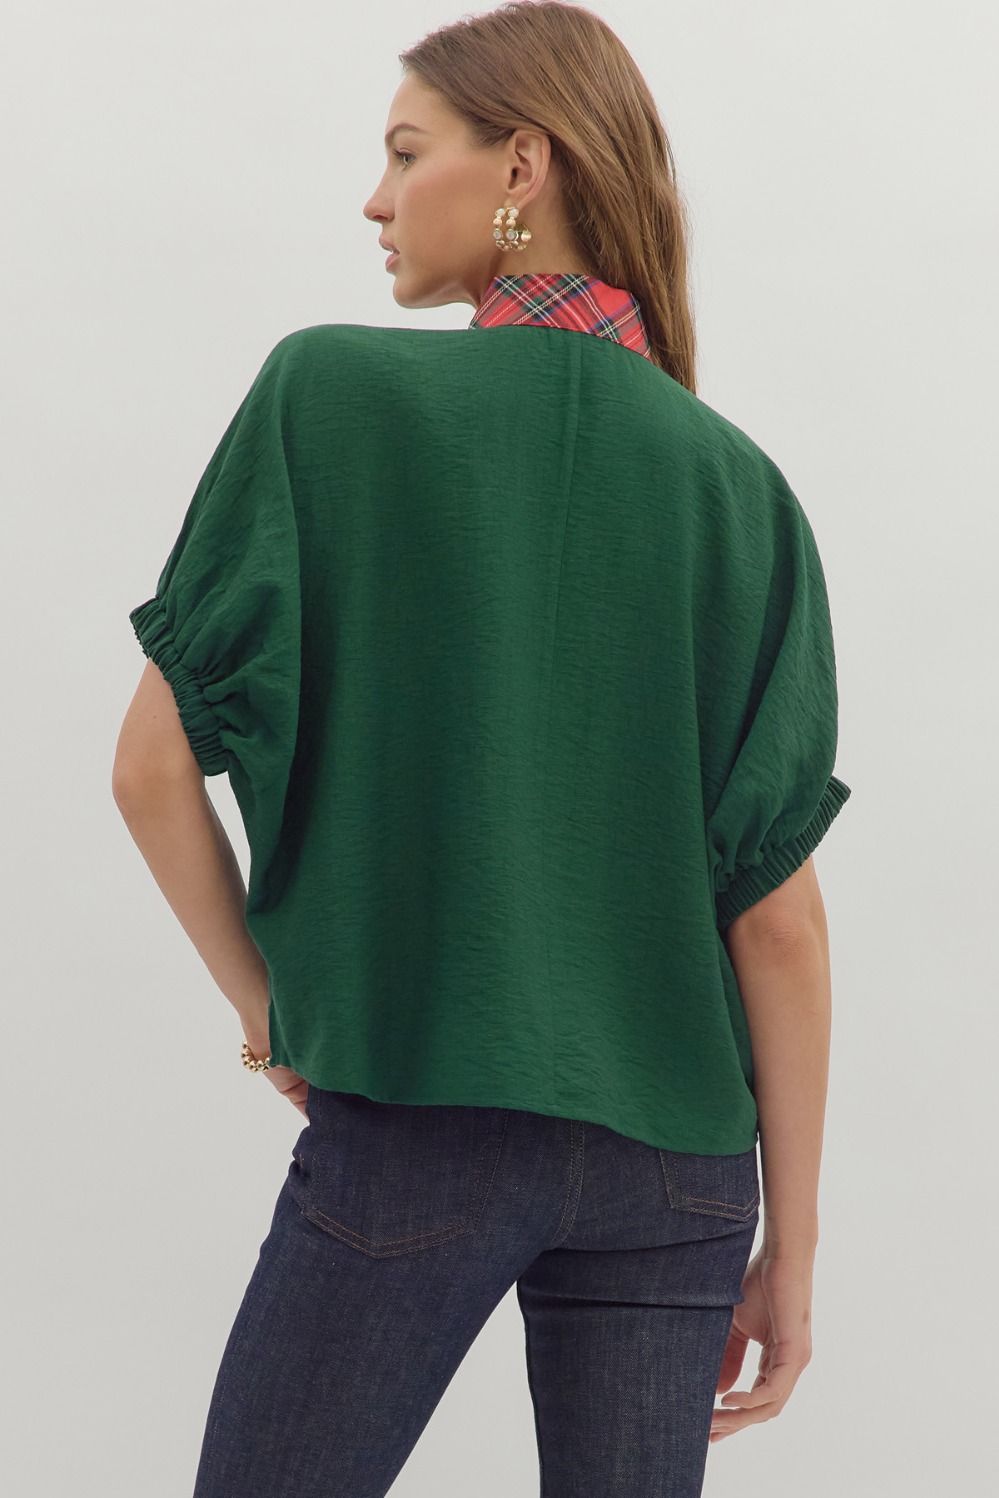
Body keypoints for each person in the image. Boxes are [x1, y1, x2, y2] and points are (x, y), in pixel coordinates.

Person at [112, 5, 852, 1495]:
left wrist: (273, 1021)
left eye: (405, 153)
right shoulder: (740, 489)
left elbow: (147, 771)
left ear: (524, 164)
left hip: (420, 1118)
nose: (375, 199)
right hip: (681, 1172)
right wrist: (793, 1248)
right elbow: (775, 918)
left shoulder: (330, 394)